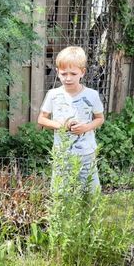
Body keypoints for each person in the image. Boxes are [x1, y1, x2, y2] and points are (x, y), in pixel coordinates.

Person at [37, 46, 105, 192]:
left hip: (86, 153)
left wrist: (86, 127)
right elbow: (42, 119)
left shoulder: (92, 95)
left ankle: (88, 215)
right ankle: (64, 215)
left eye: (73, 73)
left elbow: (100, 118)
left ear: (82, 72)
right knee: (61, 193)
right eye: (63, 73)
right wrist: (60, 125)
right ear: (57, 72)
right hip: (62, 153)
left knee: (91, 192)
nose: (68, 78)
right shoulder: (53, 94)